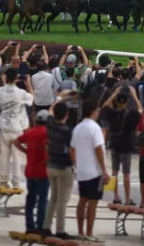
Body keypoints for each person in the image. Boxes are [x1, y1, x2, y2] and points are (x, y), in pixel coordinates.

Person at [69, 98, 110, 242]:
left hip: (82, 171)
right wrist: (104, 170)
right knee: (93, 203)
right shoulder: (95, 128)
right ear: (93, 111)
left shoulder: (78, 127)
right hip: (94, 172)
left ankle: (80, 231)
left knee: (82, 201)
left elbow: (72, 148)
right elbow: (98, 148)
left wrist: (76, 164)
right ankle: (89, 232)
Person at [100, 87, 141, 205]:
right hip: (126, 144)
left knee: (114, 171)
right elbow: (140, 109)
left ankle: (116, 196)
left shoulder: (112, 113)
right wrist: (134, 95)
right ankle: (128, 199)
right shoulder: (132, 114)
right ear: (126, 102)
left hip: (114, 143)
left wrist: (114, 93)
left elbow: (104, 106)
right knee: (126, 173)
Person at [41, 102, 74, 240]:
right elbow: (71, 149)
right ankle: (60, 229)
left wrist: (60, 98)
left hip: (51, 165)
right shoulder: (67, 130)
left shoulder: (50, 124)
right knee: (62, 200)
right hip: (63, 166)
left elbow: (49, 111)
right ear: (66, 115)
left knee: (53, 198)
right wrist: (75, 165)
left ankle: (46, 227)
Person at [14, 109, 49, 234]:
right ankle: (40, 226)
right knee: (43, 200)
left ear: (36, 120)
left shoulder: (29, 133)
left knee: (30, 200)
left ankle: (30, 226)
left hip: (30, 171)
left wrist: (25, 151)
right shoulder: (47, 133)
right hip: (43, 172)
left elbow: (16, 141)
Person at [0, 67, 34, 188]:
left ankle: (3, 180)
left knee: (4, 156)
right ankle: (16, 182)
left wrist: (5, 80)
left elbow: (5, 89)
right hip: (16, 127)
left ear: (5, 78)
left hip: (4, 126)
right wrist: (28, 85)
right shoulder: (21, 93)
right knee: (16, 156)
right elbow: (32, 98)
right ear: (16, 79)